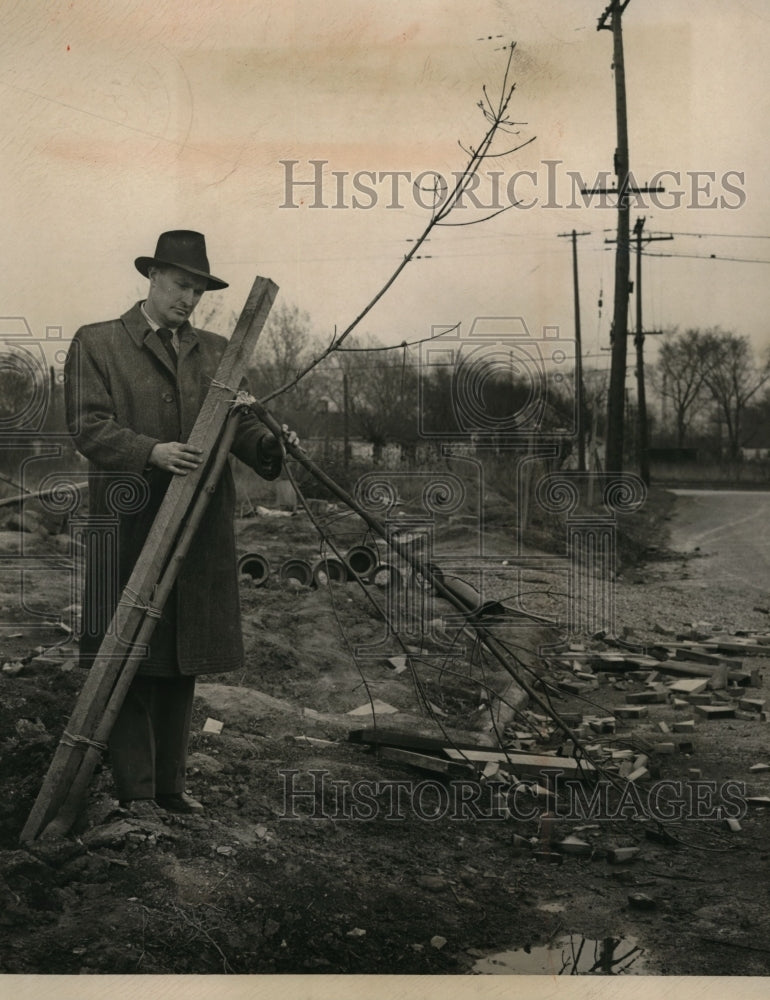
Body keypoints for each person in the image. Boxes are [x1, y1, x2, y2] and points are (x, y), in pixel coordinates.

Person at [64, 230, 295, 815]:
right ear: (152, 278)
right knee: (130, 656)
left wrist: (272, 446)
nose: (188, 298)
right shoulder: (99, 344)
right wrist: (151, 451)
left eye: (198, 289)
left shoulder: (219, 353)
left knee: (181, 658)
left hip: (197, 530)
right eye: (179, 284)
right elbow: (88, 427)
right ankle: (135, 792)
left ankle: (170, 788)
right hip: (129, 526)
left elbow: (237, 427)